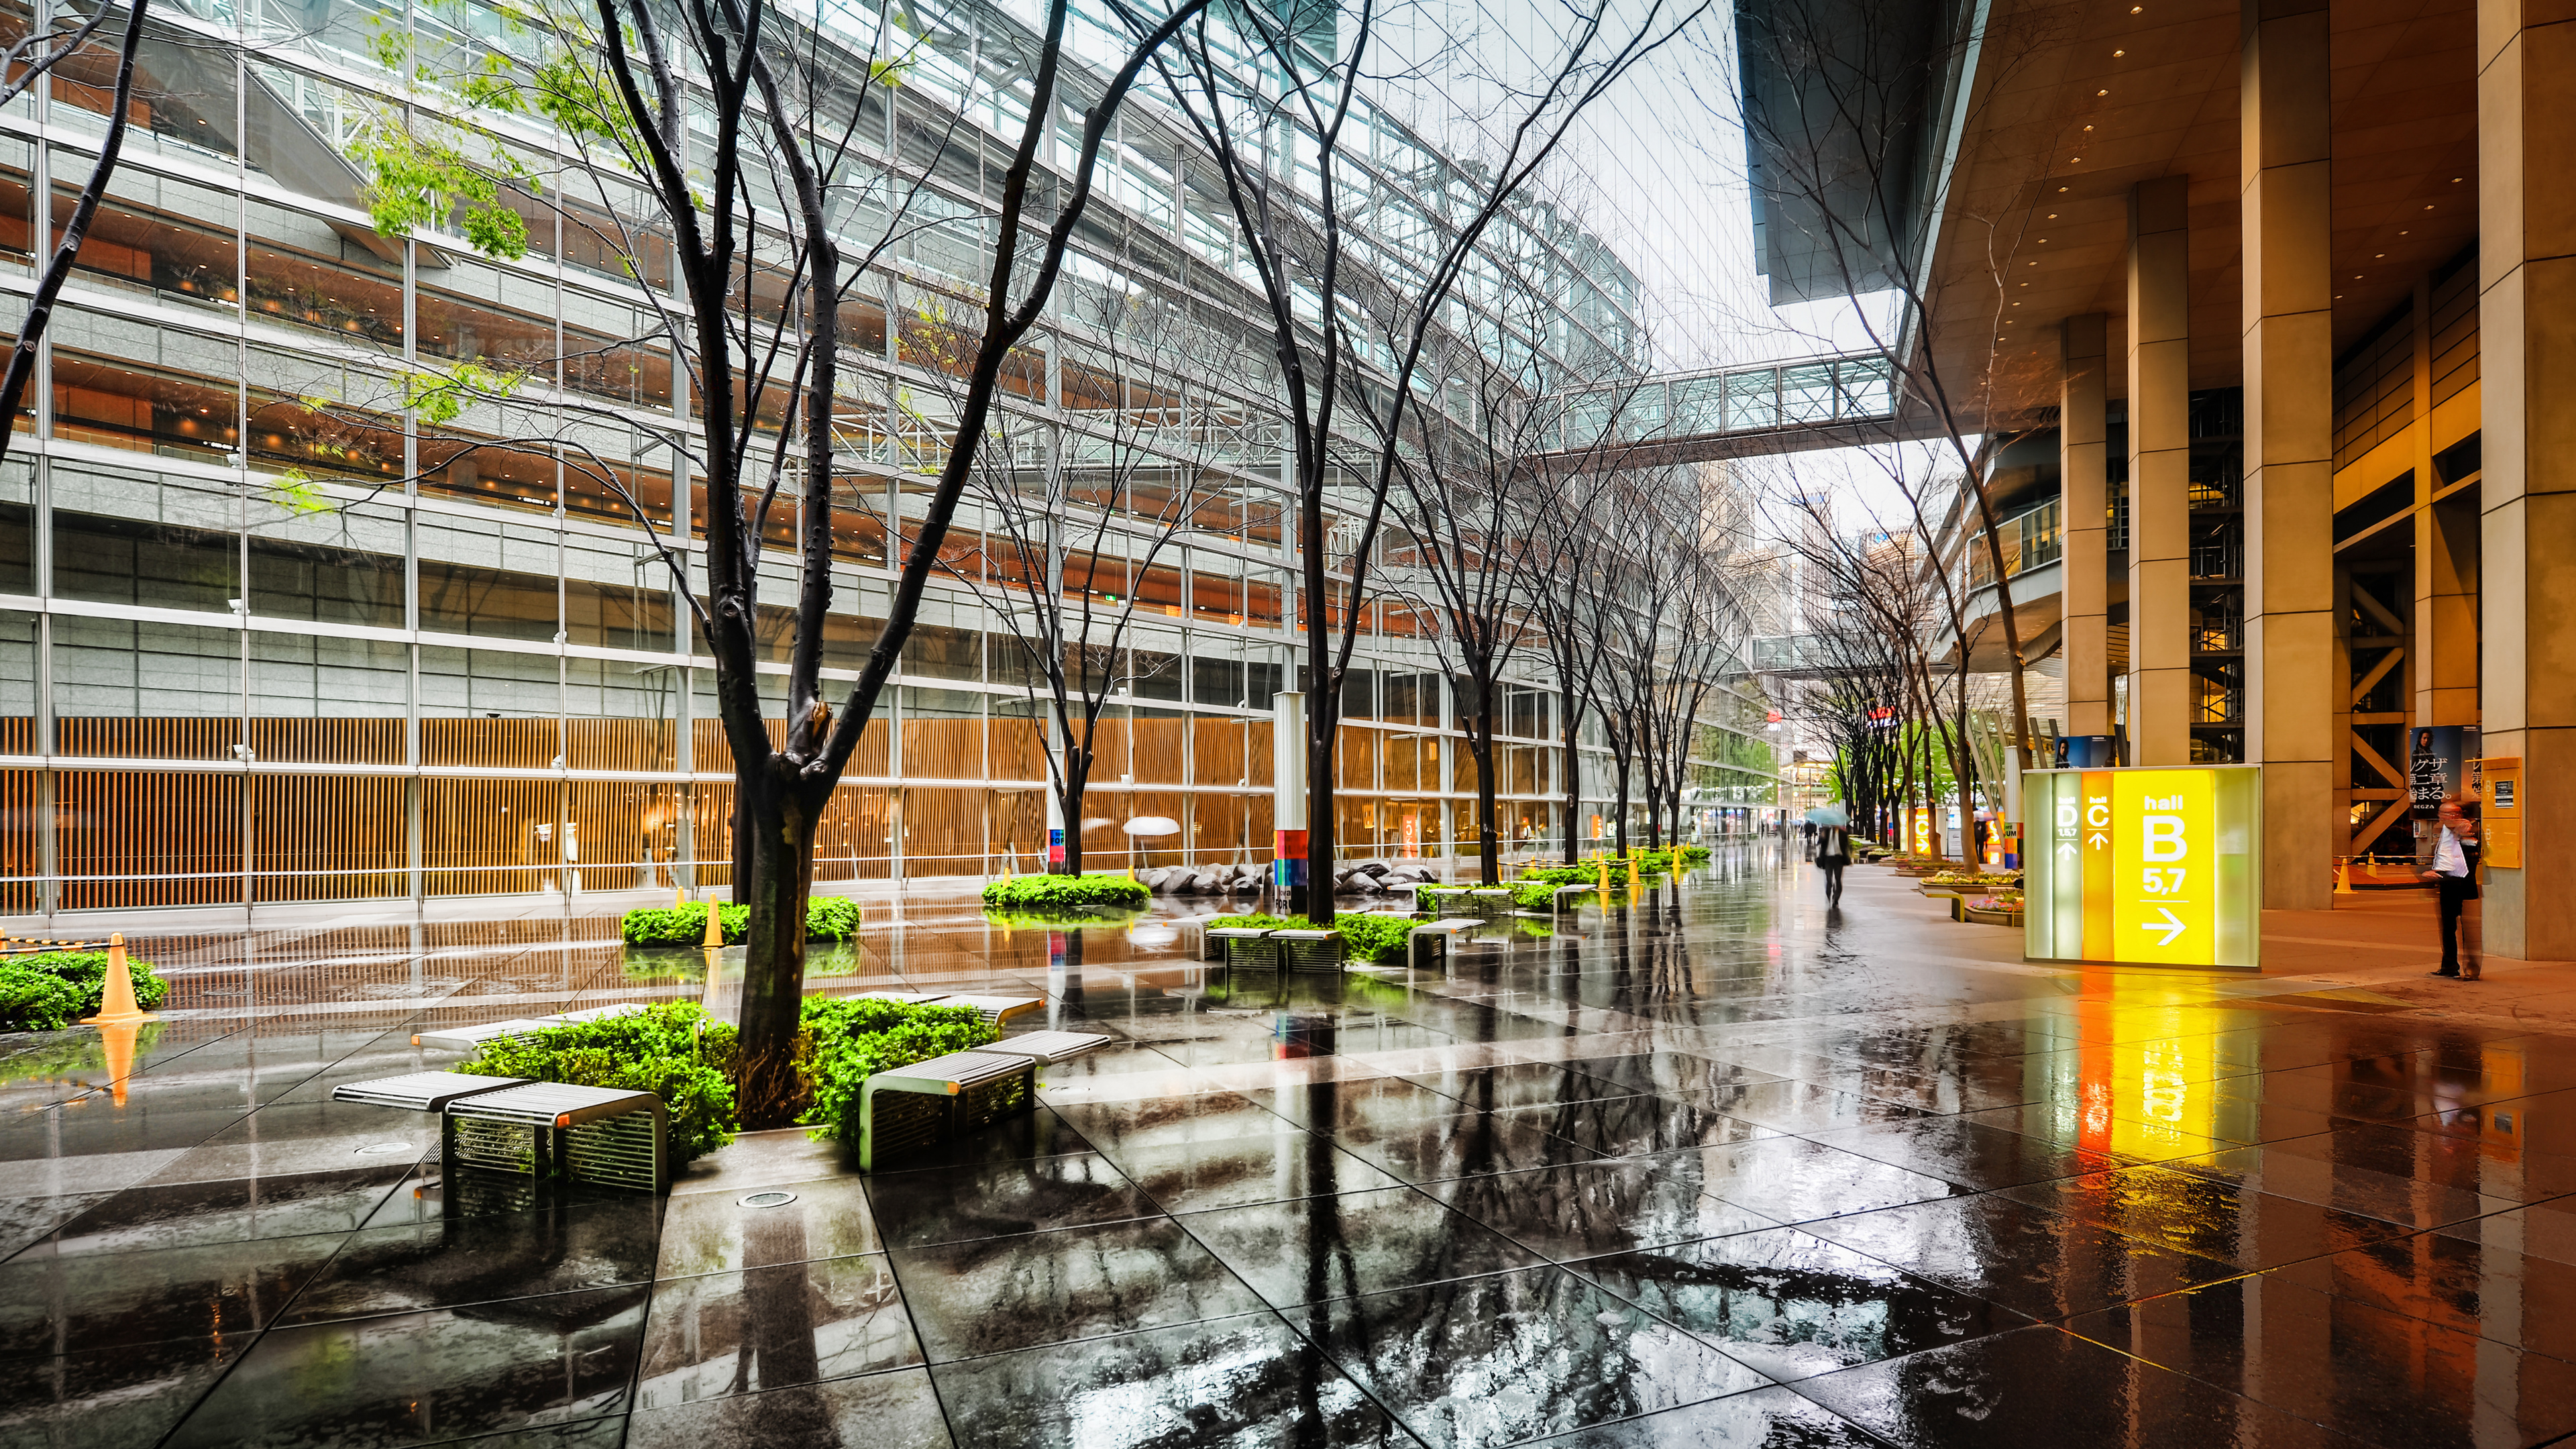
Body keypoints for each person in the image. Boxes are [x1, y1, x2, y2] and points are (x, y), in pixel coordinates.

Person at [2421, 794, 2481, 979]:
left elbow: (2473, 852)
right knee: (2448, 928)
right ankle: (2449, 966)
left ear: (2457, 815)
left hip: (2462, 884)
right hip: (2446, 884)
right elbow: (2438, 855)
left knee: (2468, 930)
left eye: (2448, 814)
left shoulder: (2470, 829)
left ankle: (2472, 968)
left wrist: (2465, 835)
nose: (2443, 817)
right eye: (2442, 814)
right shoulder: (2441, 831)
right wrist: (2430, 871)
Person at [1815, 820, 1850, 907]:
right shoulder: (1826, 832)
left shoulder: (1843, 833)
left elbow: (1847, 846)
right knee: (1829, 880)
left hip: (1839, 859)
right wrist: (1822, 838)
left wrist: (1849, 857)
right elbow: (1819, 843)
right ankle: (1828, 896)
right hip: (1828, 859)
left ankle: (1836, 899)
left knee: (1838, 880)